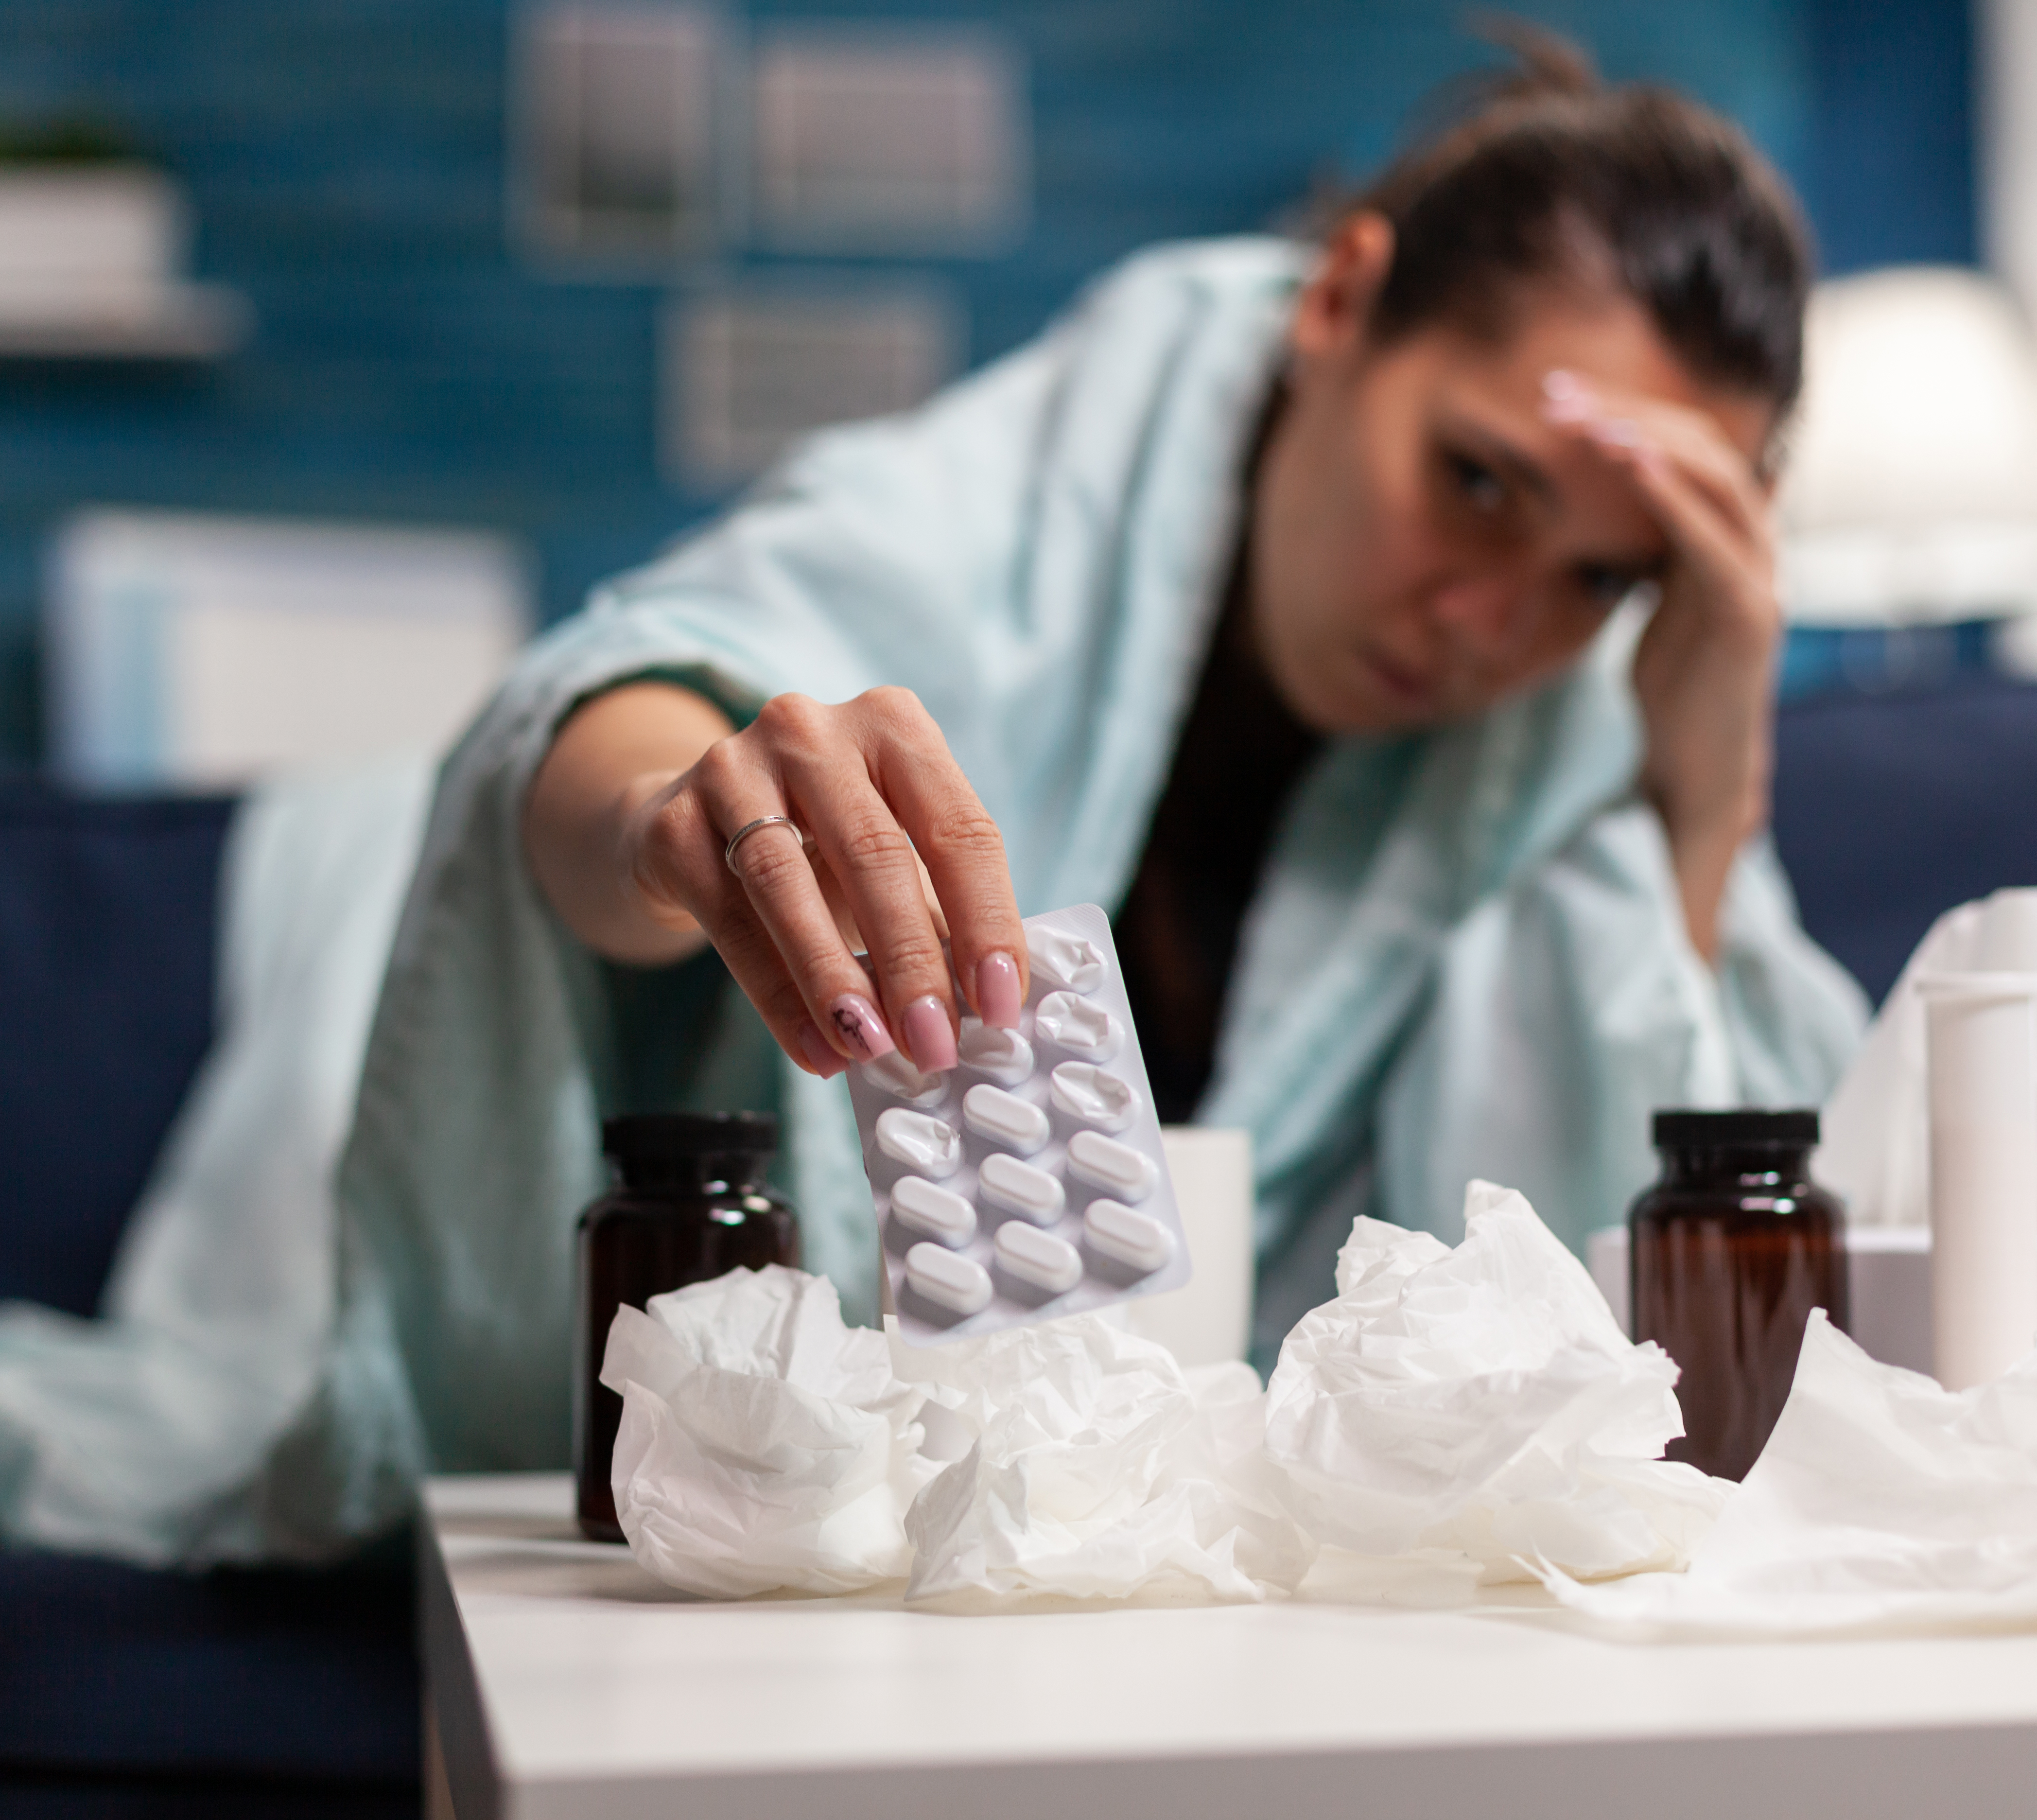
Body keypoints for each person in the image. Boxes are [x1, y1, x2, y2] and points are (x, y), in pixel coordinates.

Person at [325, 32, 1865, 1503]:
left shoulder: (1585, 733)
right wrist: (671, 816)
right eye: (1475, 481)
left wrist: (1711, 796)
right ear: (1339, 304)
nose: (1492, 621)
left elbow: (1688, 1310)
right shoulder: (995, 512)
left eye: (1603, 577)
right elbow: (641, 705)